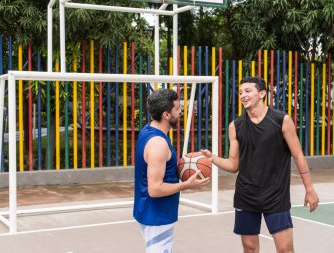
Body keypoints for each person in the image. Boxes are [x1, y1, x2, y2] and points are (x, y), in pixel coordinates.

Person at [201, 76, 319, 253]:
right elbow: (234, 165)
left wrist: (309, 189)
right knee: (249, 248)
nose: (243, 95)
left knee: (285, 249)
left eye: (248, 91)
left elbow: (298, 156)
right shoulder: (236, 126)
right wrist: (213, 158)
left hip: (276, 196)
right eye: (240, 92)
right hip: (246, 196)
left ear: (262, 93)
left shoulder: (281, 120)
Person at [133, 88, 210, 253]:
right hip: (157, 216)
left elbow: (162, 168)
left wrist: (190, 162)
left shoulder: (148, 129)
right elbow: (155, 189)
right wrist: (187, 185)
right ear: (166, 115)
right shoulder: (158, 144)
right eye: (177, 108)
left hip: (149, 211)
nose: (181, 110)